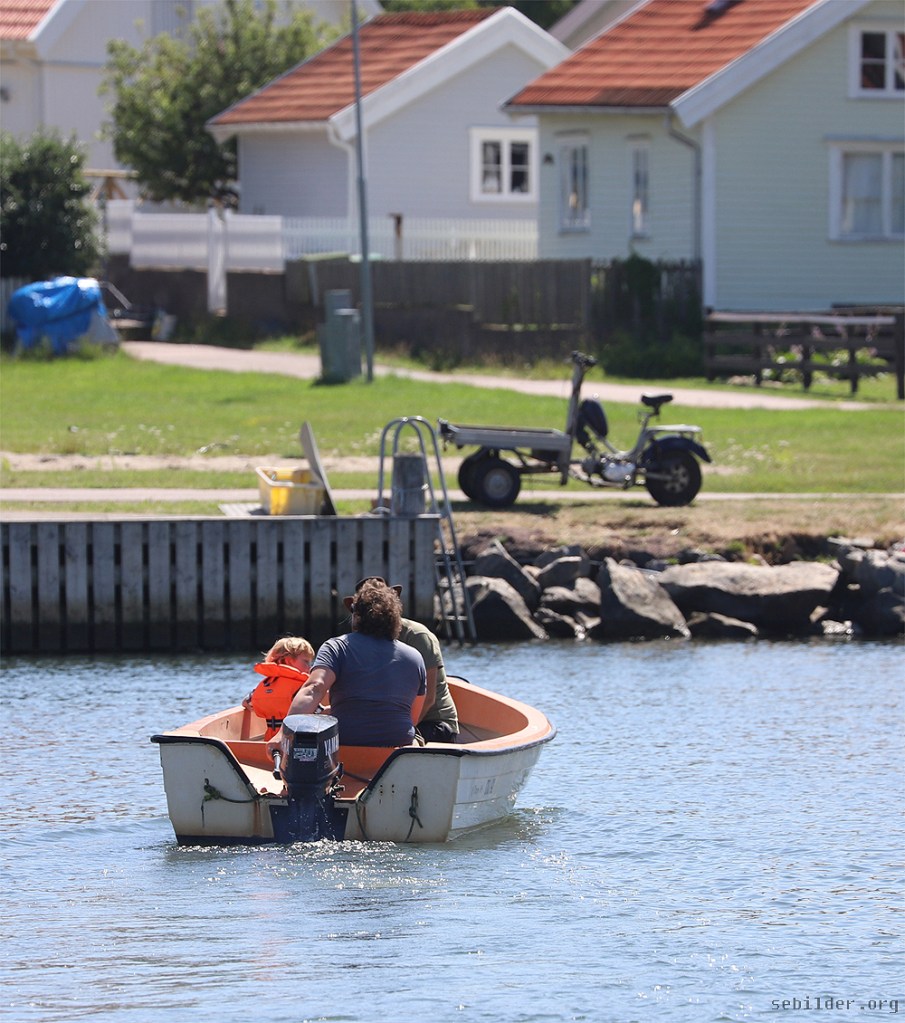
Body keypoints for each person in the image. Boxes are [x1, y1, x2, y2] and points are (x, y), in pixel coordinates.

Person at [268, 579, 426, 753]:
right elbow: (413, 718)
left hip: (345, 746)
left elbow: (314, 688)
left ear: (357, 616)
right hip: (397, 748)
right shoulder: (415, 657)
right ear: (395, 619)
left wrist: (283, 734)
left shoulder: (336, 647)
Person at [344, 576, 459, 744]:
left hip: (432, 722)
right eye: (360, 610)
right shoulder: (356, 642)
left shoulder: (418, 636)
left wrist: (400, 730)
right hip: (388, 721)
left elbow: (429, 698)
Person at [242, 636, 314, 740]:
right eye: (306, 661)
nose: (309, 667)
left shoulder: (266, 684)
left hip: (271, 740)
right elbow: (318, 712)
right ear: (289, 661)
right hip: (297, 741)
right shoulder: (301, 688)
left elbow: (246, 702)